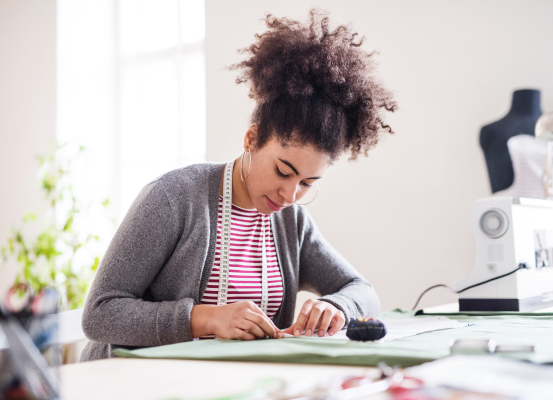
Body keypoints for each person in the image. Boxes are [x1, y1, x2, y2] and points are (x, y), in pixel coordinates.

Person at [80, 9, 397, 361]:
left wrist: (336, 306)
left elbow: (363, 292)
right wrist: (205, 318)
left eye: (307, 182)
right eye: (283, 170)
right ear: (252, 138)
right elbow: (100, 313)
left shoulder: (292, 223)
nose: (290, 195)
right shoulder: (174, 199)